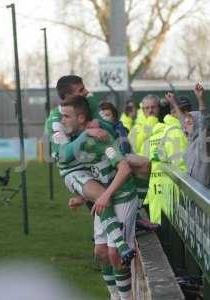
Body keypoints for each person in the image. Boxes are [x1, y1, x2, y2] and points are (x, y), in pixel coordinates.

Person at [61, 96, 137, 300]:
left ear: (81, 117)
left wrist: (105, 195)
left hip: (122, 196)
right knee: (101, 253)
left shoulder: (102, 137)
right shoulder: (79, 140)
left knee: (116, 254)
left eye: (66, 116)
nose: (62, 121)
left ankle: (126, 298)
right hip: (105, 197)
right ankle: (114, 296)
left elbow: (124, 168)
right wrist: (80, 196)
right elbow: (91, 172)